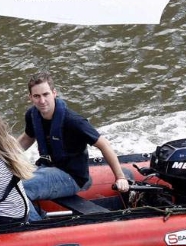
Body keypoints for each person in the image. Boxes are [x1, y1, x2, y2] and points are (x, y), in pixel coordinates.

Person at [17, 71, 130, 210]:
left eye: (45, 94)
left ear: (54, 93)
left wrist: (120, 177)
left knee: (19, 190)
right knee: (10, 181)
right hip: (47, 168)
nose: (42, 101)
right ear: (30, 97)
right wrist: (5, 155)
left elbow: (104, 144)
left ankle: (32, 224)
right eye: (37, 96)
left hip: (71, 177)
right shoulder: (32, 115)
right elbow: (27, 138)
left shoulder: (73, 121)